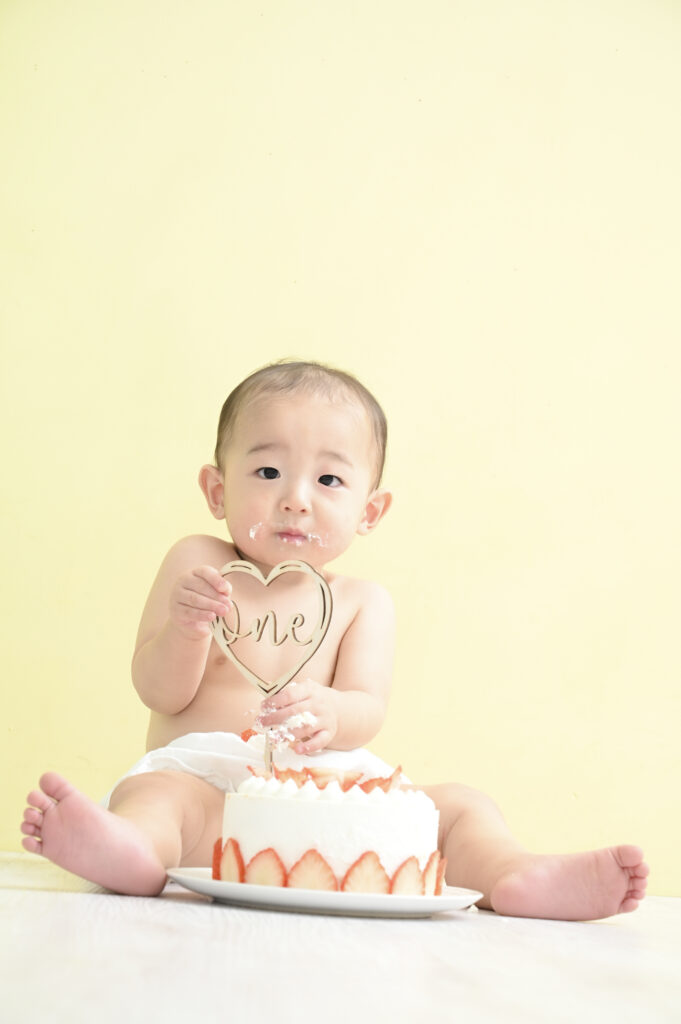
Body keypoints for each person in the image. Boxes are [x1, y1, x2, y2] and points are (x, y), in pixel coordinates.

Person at [21, 360, 648, 919]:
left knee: (457, 805)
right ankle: (126, 852)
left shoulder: (360, 602)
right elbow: (157, 689)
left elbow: (366, 707)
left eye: (328, 481)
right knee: (155, 797)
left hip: (326, 798)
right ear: (217, 490)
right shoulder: (199, 563)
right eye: (268, 470)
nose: (295, 500)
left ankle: (514, 873)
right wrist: (188, 629)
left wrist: (333, 711)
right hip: (212, 792)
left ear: (369, 512)